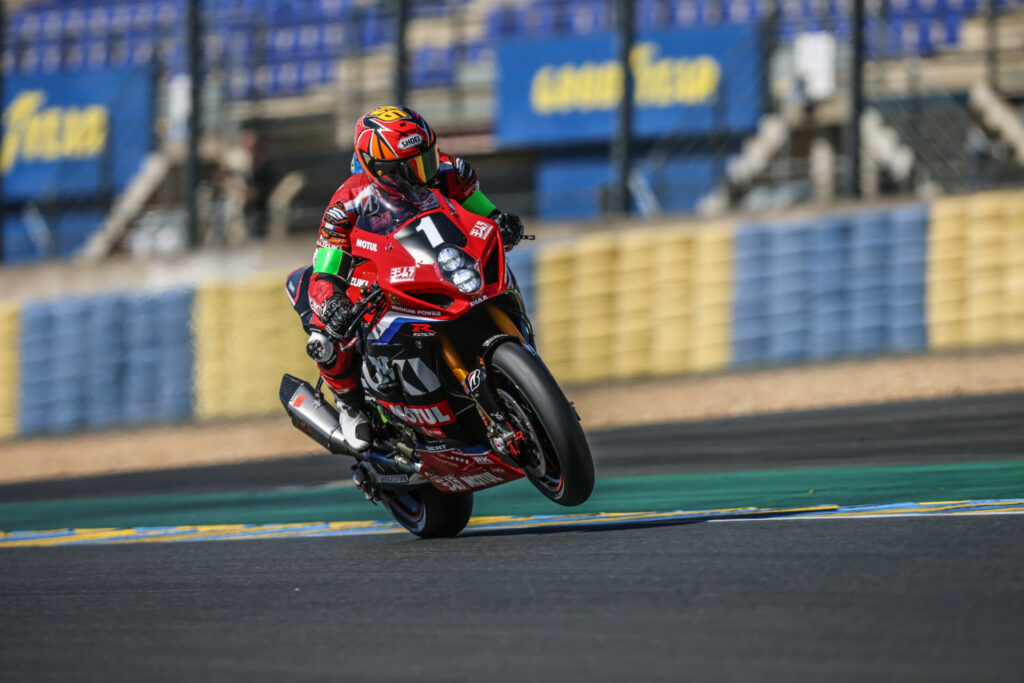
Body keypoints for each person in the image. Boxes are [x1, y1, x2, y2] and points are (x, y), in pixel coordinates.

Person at [304, 105, 525, 453]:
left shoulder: (448, 170)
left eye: (427, 157)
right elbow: (326, 266)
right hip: (375, 274)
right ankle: (350, 405)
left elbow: (481, 208)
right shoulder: (346, 204)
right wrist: (332, 301)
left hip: (437, 259)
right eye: (411, 166)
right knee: (324, 335)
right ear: (379, 169)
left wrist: (502, 220)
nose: (425, 171)